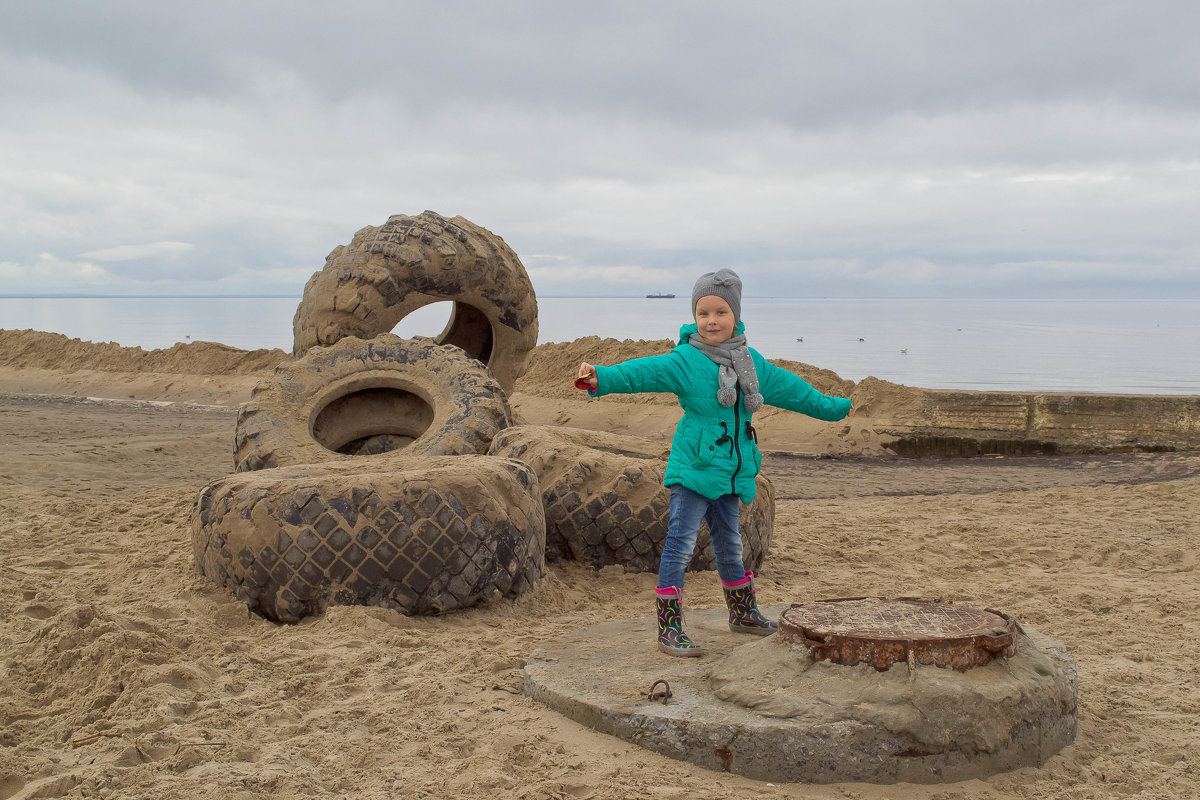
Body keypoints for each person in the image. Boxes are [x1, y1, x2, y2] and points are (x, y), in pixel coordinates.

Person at [575, 269, 852, 657]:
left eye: (720, 312)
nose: (711, 320)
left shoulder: (750, 362)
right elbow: (644, 372)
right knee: (680, 545)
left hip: (732, 470)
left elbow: (793, 391)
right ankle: (669, 628)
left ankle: (742, 614)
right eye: (703, 313)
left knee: (730, 543)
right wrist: (600, 378)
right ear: (694, 317)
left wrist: (833, 408)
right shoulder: (687, 359)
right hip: (694, 468)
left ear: (735, 315)